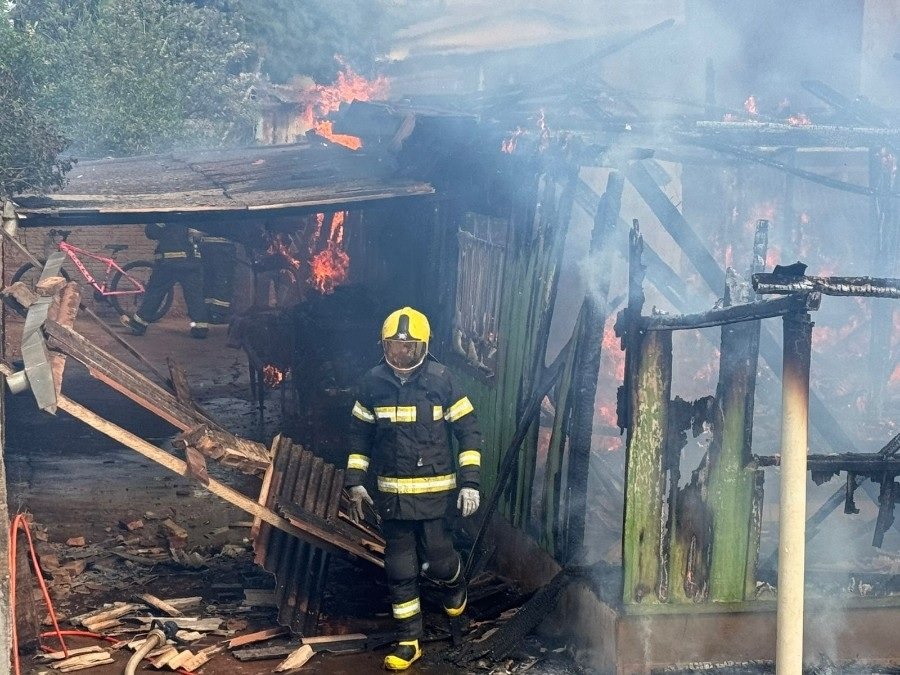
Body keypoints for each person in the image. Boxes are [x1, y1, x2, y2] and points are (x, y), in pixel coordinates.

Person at [345, 306, 482, 671]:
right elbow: (359, 437)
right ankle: (409, 642)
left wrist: (470, 484)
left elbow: (468, 432)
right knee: (400, 568)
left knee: (439, 560)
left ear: (424, 348)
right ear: (383, 347)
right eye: (393, 348)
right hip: (393, 499)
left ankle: (456, 594)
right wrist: (355, 483)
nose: (401, 355)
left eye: (409, 349)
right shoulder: (372, 384)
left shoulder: (442, 381)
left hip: (436, 498)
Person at [121, 222, 209, 339]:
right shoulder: (190, 215)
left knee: (155, 291)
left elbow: (151, 233)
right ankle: (200, 328)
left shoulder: (166, 214)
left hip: (169, 262)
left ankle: (138, 324)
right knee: (195, 295)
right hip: (192, 262)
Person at [198, 232, 237, 324]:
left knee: (208, 279)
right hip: (224, 247)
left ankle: (207, 312)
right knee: (223, 280)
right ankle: (219, 314)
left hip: (205, 246)